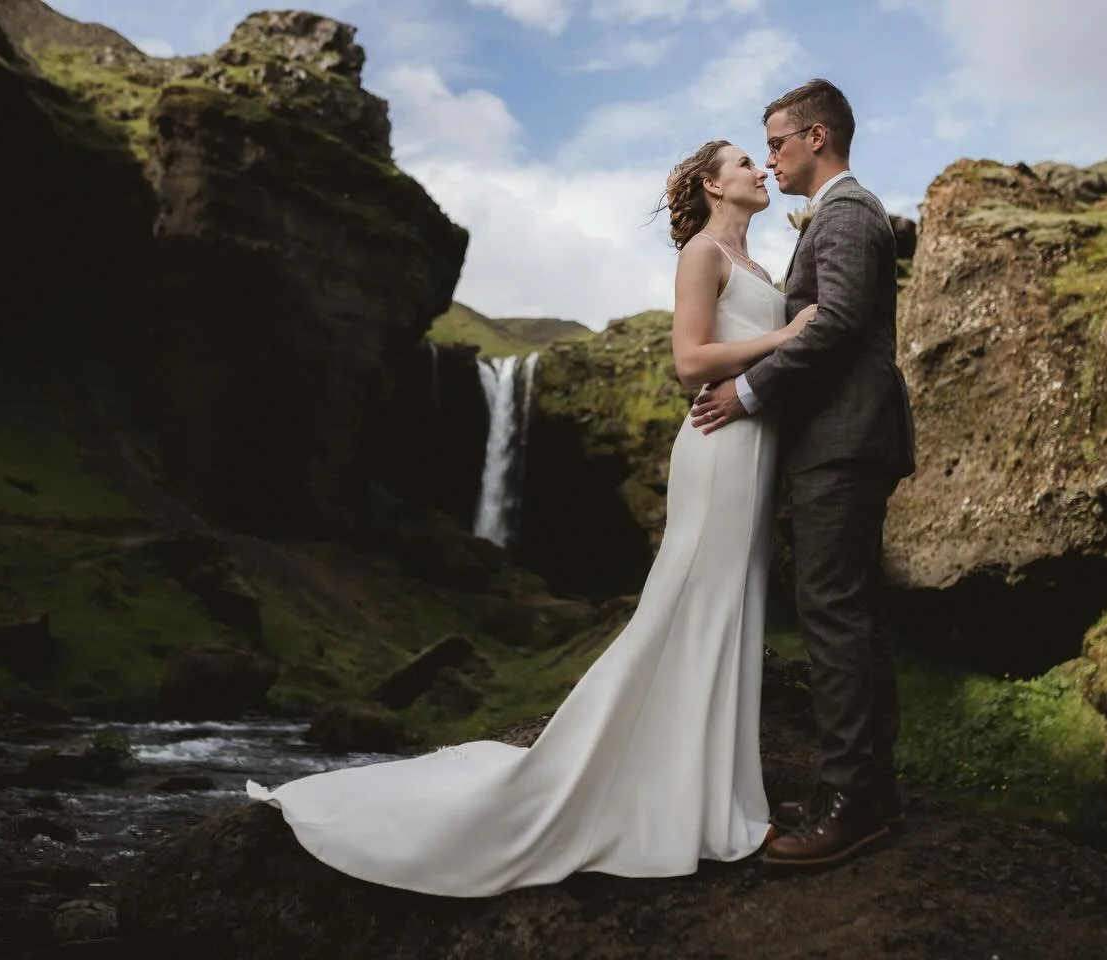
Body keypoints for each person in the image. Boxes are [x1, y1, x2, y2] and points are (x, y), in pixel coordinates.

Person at [245, 138, 806, 897]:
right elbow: (689, 361)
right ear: (713, 184)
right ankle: (684, 803)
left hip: (754, 453)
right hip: (718, 448)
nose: (760, 170)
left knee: (733, 612)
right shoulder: (701, 254)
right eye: (743, 162)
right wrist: (786, 335)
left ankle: (729, 799)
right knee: (693, 610)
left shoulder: (760, 268)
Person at [690, 79, 917, 869]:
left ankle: (848, 802)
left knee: (833, 613)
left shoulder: (847, 212)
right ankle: (867, 790)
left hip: (842, 441)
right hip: (839, 441)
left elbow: (840, 323)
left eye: (777, 143)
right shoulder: (837, 215)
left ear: (816, 137)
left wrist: (748, 393)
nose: (771, 160)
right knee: (851, 612)